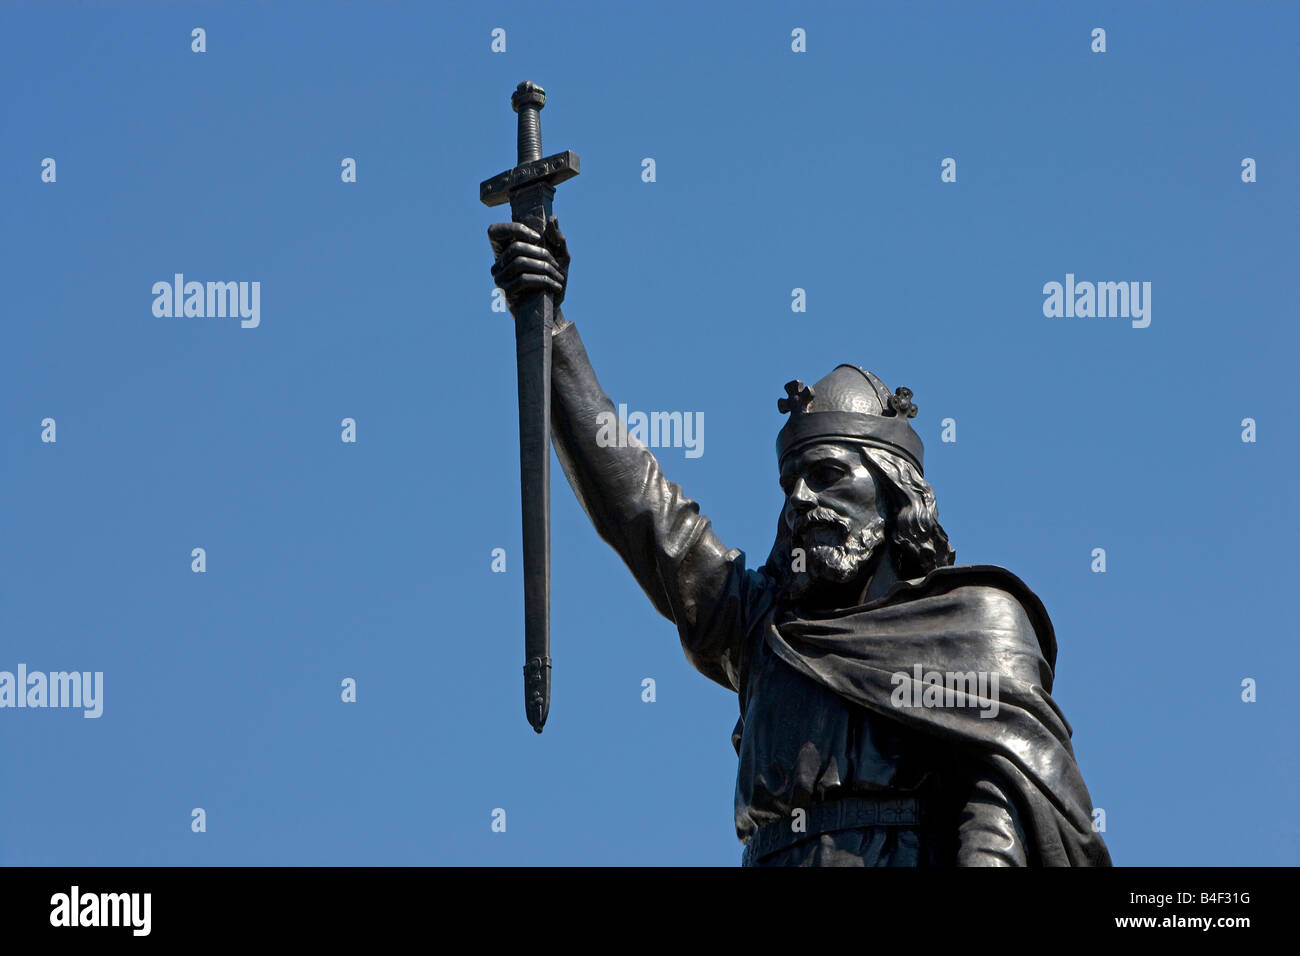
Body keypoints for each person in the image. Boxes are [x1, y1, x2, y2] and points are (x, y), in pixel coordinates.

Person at [487, 217, 1111, 866]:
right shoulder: (763, 627)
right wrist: (548, 331)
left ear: (895, 490)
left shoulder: (973, 622)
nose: (803, 499)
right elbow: (641, 509)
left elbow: (1002, 794)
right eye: (792, 482)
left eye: (828, 475)